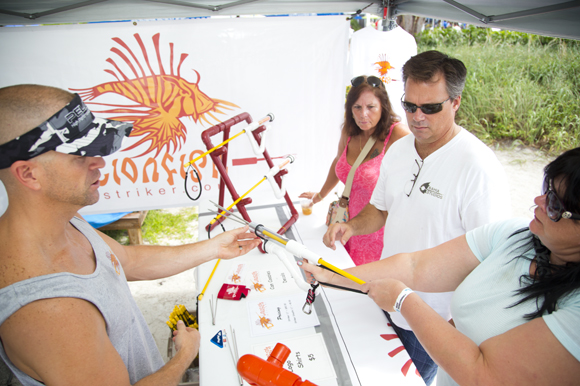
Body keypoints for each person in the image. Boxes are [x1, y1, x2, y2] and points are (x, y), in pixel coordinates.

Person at [0, 84, 261, 386]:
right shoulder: (49, 310)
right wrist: (184, 356)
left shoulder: (65, 217)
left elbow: (125, 260)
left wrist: (213, 248)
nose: (99, 162)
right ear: (29, 174)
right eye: (80, 156)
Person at [302, 147, 580, 386]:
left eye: (555, 204)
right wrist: (330, 276)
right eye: (546, 190)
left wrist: (403, 301)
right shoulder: (515, 234)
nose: (538, 202)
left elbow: (482, 374)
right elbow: (414, 266)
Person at [323, 51, 512, 385]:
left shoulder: (478, 167)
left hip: (432, 321)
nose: (417, 117)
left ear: (456, 102)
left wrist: (455, 329)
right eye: (410, 106)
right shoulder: (397, 150)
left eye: (430, 108)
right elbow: (380, 210)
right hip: (382, 296)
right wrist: (351, 226)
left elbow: (492, 263)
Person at [300, 75, 409, 265]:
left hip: (376, 231)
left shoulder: (397, 135)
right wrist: (320, 195)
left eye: (371, 107)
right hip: (346, 223)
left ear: (383, 106)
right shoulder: (349, 132)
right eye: (357, 107)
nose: (363, 114)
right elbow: (338, 163)